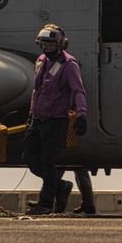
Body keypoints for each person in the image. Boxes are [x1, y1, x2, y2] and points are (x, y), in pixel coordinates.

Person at [22, 24, 87, 215]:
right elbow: (37, 90)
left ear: (60, 44)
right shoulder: (41, 61)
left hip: (56, 120)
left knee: (48, 161)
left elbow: (78, 91)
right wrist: (30, 114)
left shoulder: (69, 65)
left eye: (50, 45)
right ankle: (60, 186)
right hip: (37, 119)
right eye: (43, 45)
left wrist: (81, 115)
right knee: (30, 157)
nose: (46, 49)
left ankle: (46, 204)